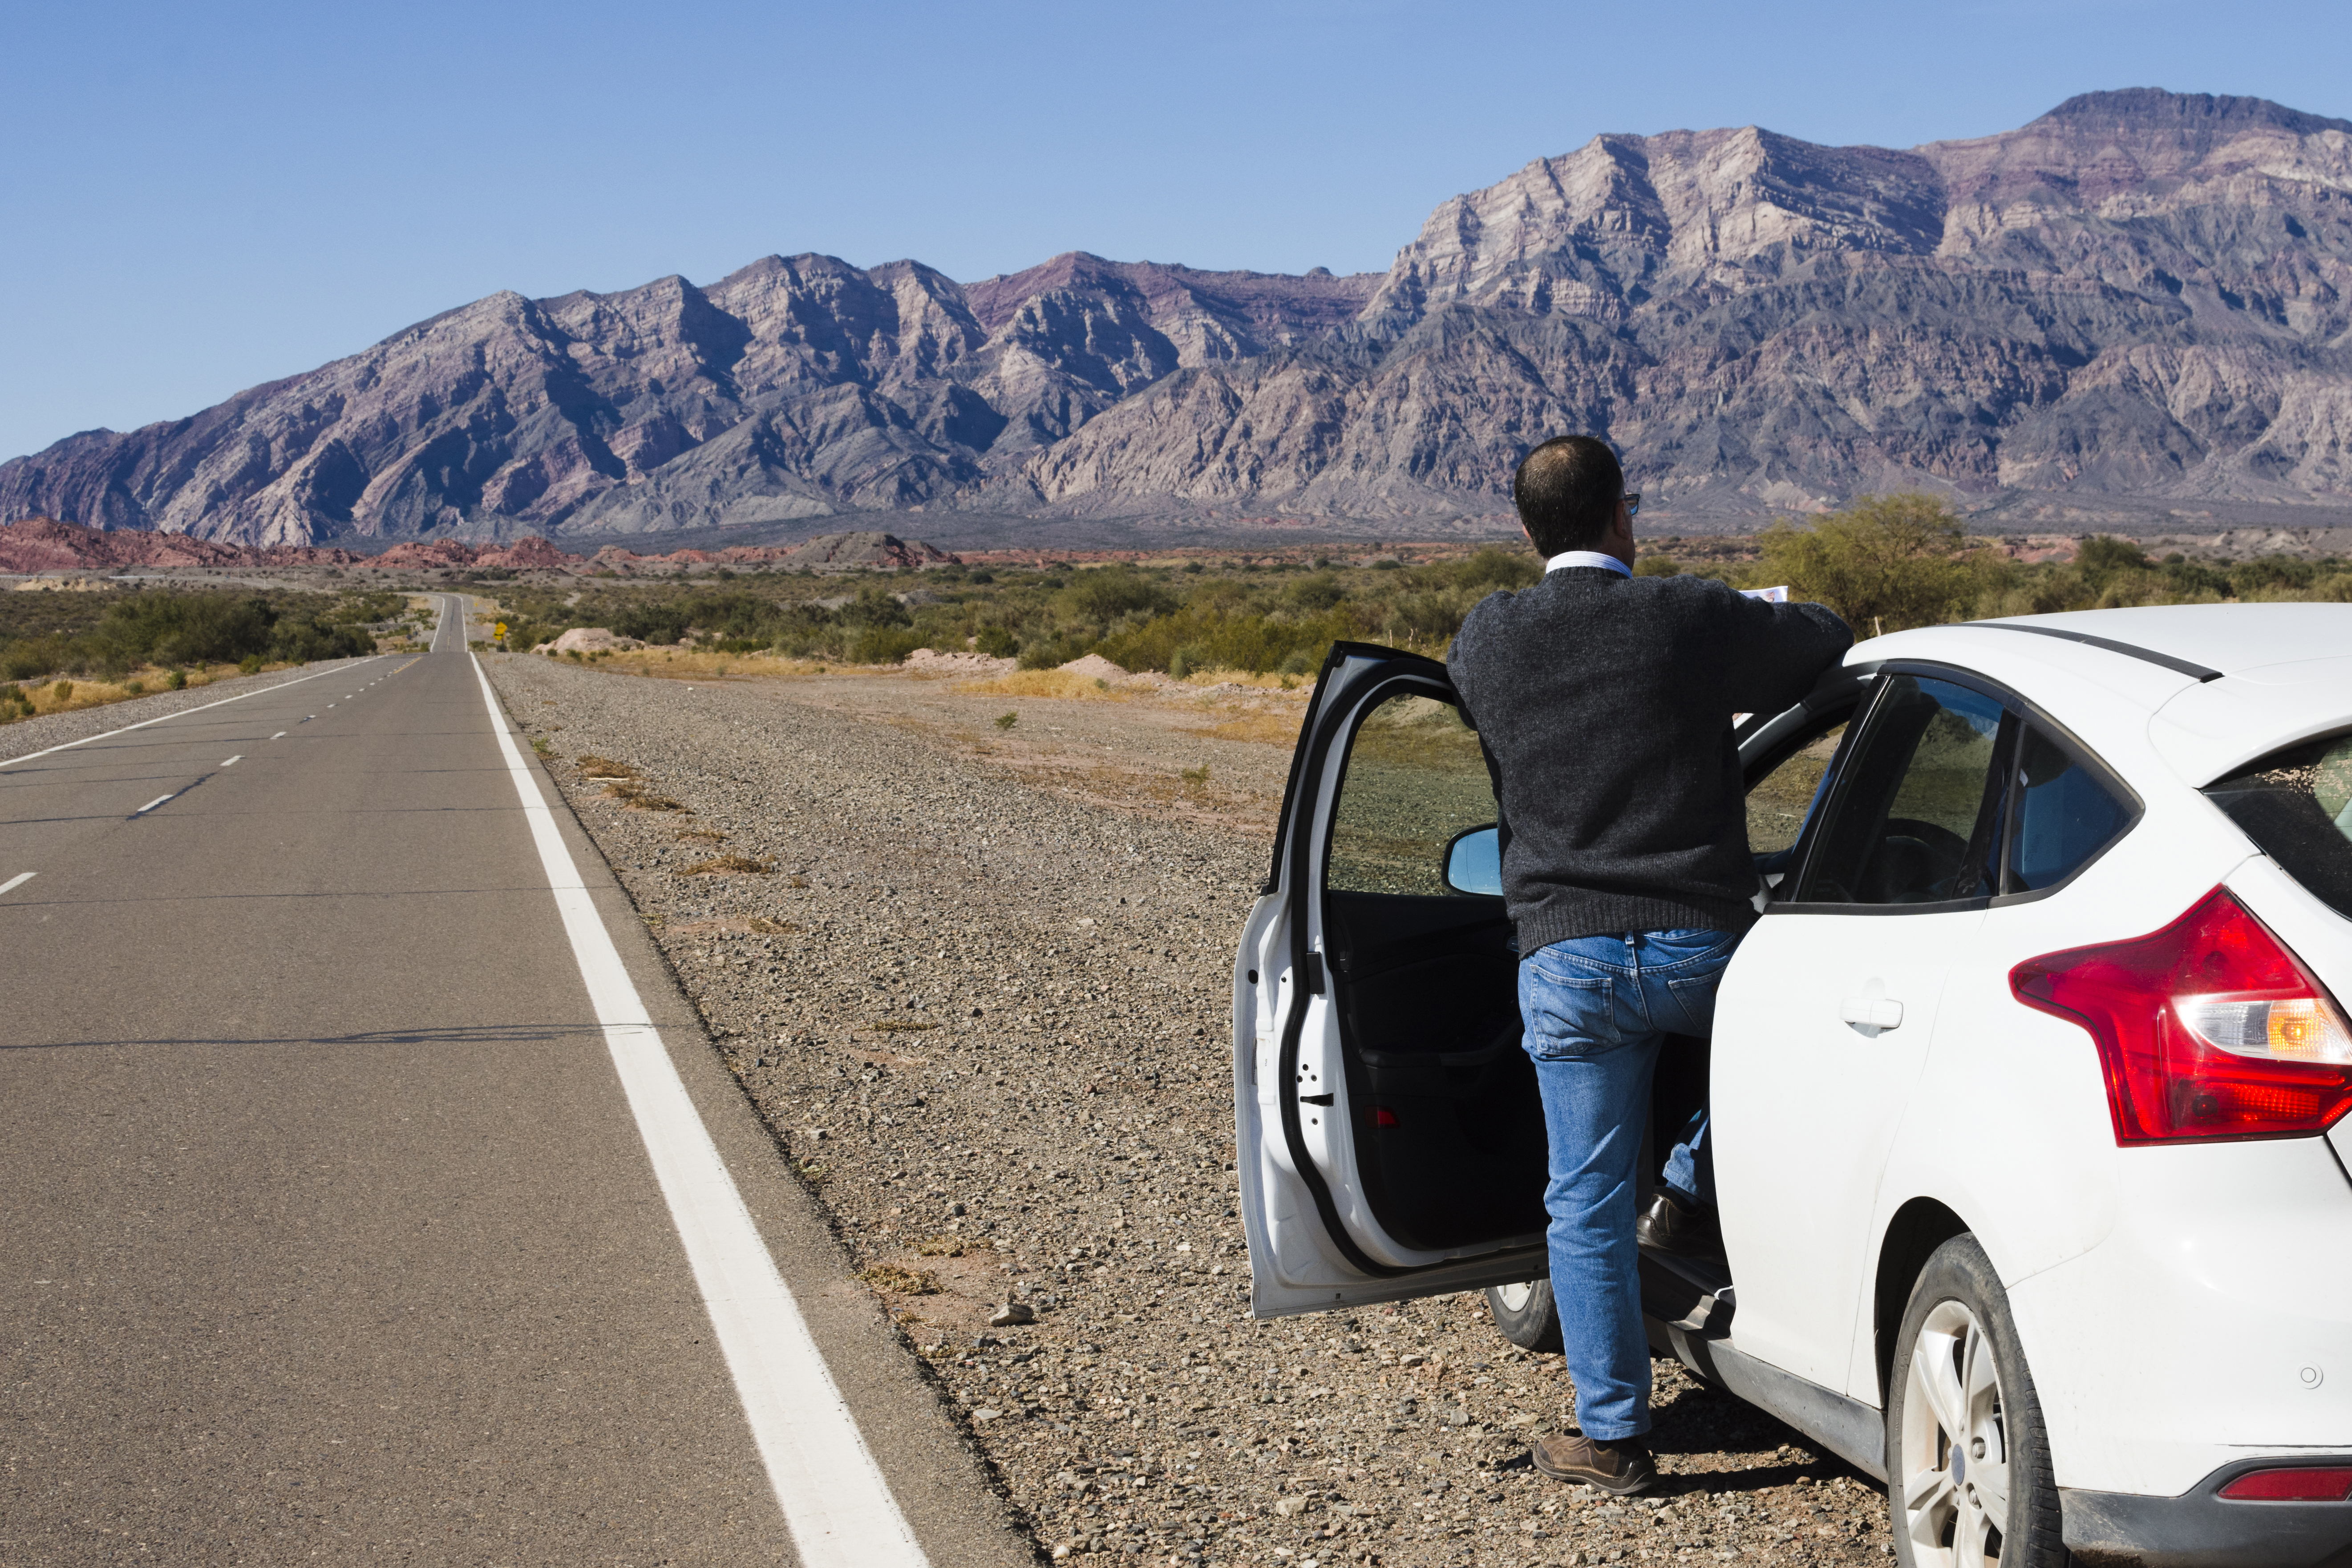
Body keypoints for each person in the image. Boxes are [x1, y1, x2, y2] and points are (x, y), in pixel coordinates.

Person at [1447, 436, 1851, 1495]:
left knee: (1580, 1200)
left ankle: (1616, 1436)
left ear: (1526, 532)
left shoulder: (1488, 637)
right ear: (1626, 515)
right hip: (1701, 948)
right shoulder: (1686, 615)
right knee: (1801, 1062)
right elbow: (1823, 642)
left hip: (1567, 955)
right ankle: (1684, 1181)